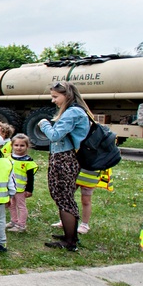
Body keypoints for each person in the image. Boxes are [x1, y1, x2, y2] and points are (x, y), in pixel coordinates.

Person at [38, 80, 91, 252]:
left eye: (55, 96)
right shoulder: (74, 111)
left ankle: (69, 241)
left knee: (64, 198)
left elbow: (55, 135)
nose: (53, 100)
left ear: (66, 95)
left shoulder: (73, 112)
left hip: (65, 159)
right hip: (65, 158)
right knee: (63, 196)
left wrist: (44, 124)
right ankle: (70, 235)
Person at [51, 168, 112, 234]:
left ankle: (84, 225)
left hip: (90, 175)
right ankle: (65, 221)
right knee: (66, 197)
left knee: (86, 201)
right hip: (75, 172)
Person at [7, 133, 38, 233]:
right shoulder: (9, 158)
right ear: (12, 145)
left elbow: (31, 178)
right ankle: (14, 221)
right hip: (11, 187)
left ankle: (21, 225)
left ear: (27, 146)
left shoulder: (28, 162)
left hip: (21, 189)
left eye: (22, 145)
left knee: (21, 206)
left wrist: (29, 190)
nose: (19, 148)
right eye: (16, 145)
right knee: (11, 204)